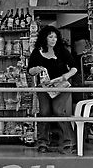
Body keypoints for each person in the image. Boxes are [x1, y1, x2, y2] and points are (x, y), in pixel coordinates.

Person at [28, 25, 77, 154]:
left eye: (55, 37)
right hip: (44, 88)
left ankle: (69, 142)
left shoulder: (62, 51)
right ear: (44, 38)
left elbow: (74, 68)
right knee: (44, 112)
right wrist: (36, 69)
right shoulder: (36, 52)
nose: (53, 39)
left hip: (61, 86)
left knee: (58, 110)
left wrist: (64, 77)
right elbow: (30, 70)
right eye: (50, 37)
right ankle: (43, 142)